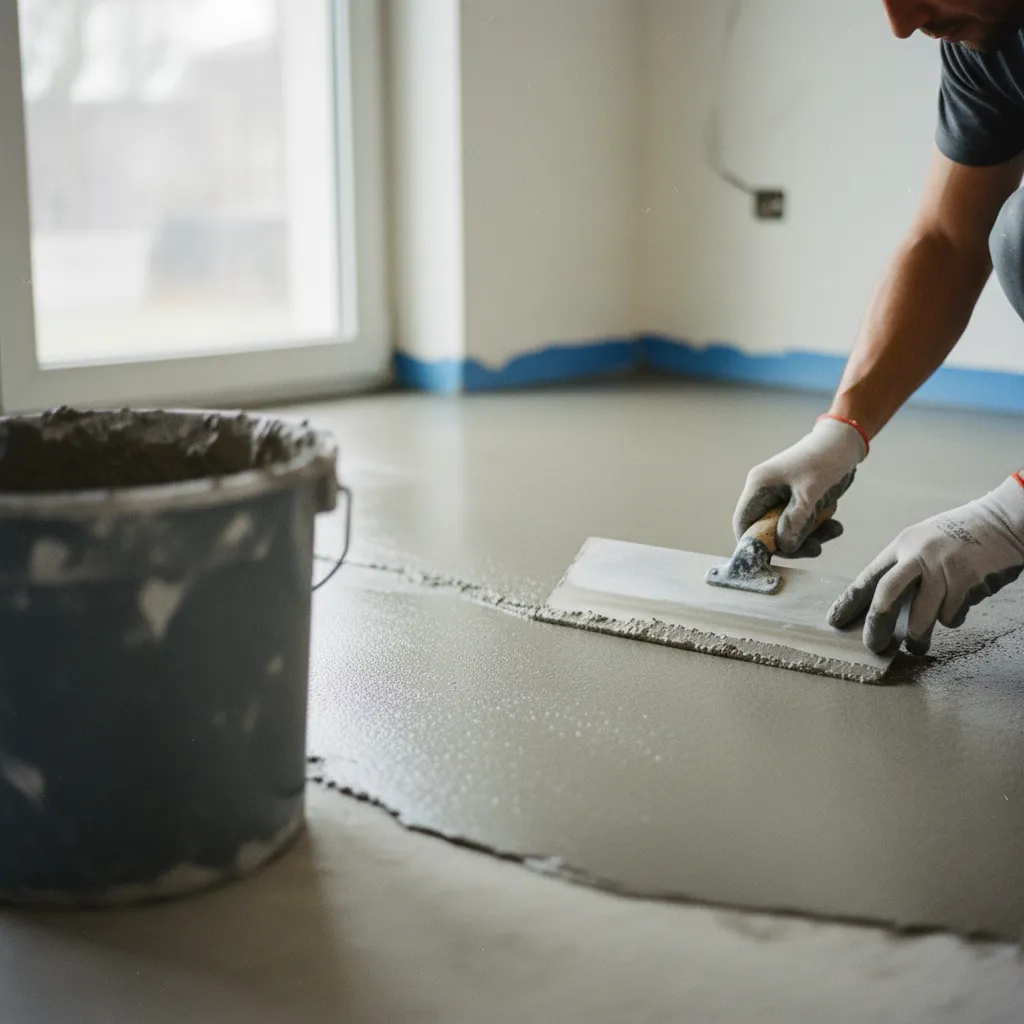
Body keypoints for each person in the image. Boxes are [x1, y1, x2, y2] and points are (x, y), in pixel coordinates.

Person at [733, 0, 1024, 656]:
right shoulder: (989, 40)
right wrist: (842, 429)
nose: (902, 23)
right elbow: (947, 240)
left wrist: (1013, 515)